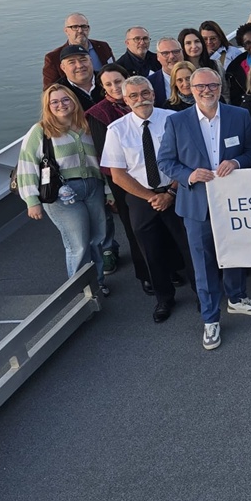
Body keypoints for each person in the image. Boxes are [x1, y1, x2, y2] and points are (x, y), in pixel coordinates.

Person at [158, 68, 251, 351]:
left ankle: (237, 297)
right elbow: (166, 161)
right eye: (200, 86)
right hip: (196, 204)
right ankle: (210, 319)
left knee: (236, 251)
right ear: (190, 90)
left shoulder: (239, 116)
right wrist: (189, 176)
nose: (207, 90)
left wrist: (238, 163)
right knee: (204, 263)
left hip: (234, 201)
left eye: (213, 85)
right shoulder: (177, 122)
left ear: (220, 87)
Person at [102, 76, 194, 322]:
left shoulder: (173, 119)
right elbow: (118, 175)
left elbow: (187, 159)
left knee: (189, 245)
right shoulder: (117, 130)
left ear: (153, 94)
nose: (140, 99)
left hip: (177, 190)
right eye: (133, 95)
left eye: (145, 93)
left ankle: (202, 292)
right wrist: (152, 197)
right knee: (150, 251)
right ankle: (164, 298)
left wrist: (171, 193)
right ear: (125, 99)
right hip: (141, 197)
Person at [17, 85, 109, 294]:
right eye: (55, 102)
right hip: (62, 195)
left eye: (65, 99)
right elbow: (27, 164)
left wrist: (108, 191)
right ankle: (82, 291)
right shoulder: (40, 131)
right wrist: (32, 201)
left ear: (74, 101)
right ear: (48, 106)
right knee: (78, 243)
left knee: (97, 239)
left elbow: (102, 159)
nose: (61, 105)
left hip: (93, 188)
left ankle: (98, 281)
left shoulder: (86, 125)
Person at [86, 63, 148, 283]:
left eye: (118, 81)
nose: (114, 87)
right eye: (108, 84)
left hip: (151, 172)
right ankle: (146, 274)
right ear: (103, 88)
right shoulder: (99, 114)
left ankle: (168, 269)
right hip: (122, 180)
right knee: (134, 227)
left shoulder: (143, 101)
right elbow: (106, 157)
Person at [43, 13, 114, 89]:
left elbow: (114, 69)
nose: (80, 30)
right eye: (75, 27)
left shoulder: (102, 46)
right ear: (66, 31)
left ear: (89, 29)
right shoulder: (54, 57)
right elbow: (50, 90)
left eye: (83, 26)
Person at [55, 44, 103, 110]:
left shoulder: (106, 80)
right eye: (72, 62)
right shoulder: (58, 91)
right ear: (63, 67)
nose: (79, 65)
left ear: (91, 61)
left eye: (83, 60)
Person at [148, 36, 184, 106]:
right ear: (158, 57)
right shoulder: (149, 83)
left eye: (176, 51)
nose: (171, 56)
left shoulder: (196, 77)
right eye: (165, 53)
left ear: (182, 53)